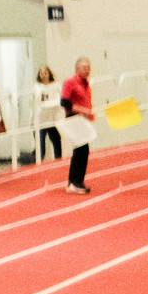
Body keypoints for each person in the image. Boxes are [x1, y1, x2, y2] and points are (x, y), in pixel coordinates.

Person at [60, 56, 95, 194]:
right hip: (74, 118)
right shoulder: (70, 82)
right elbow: (64, 102)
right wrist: (82, 111)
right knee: (81, 150)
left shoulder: (86, 84)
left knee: (83, 150)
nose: (87, 70)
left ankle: (76, 181)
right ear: (77, 69)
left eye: (89, 68)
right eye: (84, 68)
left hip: (82, 119)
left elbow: (86, 102)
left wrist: (89, 113)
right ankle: (75, 182)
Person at [34, 65, 63, 161]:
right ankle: (38, 164)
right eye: (41, 73)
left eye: (45, 73)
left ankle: (59, 161)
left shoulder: (56, 85)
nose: (44, 75)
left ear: (49, 73)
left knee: (56, 140)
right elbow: (41, 103)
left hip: (51, 119)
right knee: (40, 145)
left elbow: (60, 99)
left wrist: (55, 103)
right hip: (40, 120)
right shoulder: (37, 87)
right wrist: (54, 102)